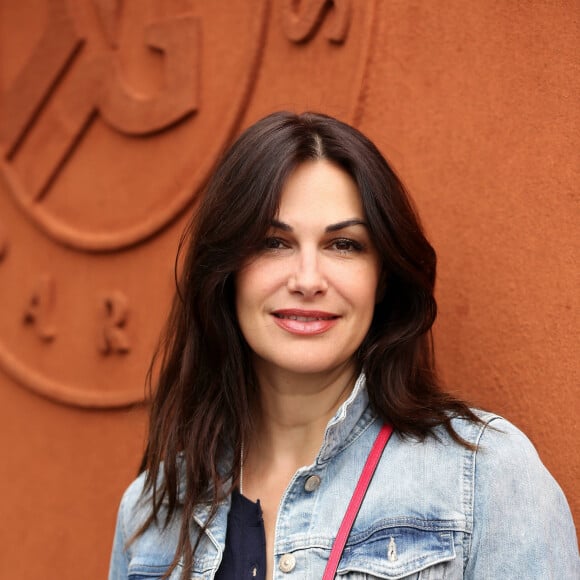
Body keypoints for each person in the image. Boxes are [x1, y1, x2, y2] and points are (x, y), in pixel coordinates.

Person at [109, 111, 578, 579]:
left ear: (383, 277)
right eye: (273, 242)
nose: (308, 280)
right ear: (226, 273)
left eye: (344, 245)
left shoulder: (486, 478)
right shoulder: (151, 510)